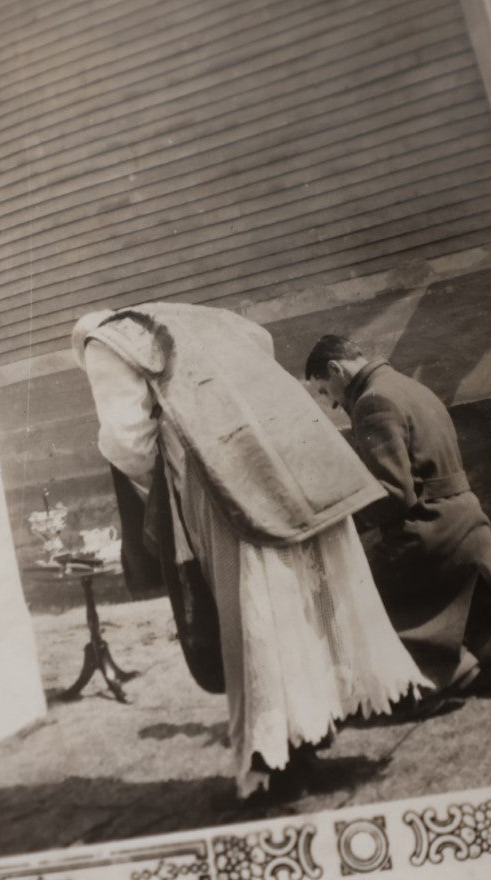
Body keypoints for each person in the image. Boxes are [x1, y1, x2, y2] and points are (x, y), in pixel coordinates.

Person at [73, 303, 433, 798]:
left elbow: (126, 439)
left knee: (255, 608)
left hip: (221, 480)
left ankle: (276, 757)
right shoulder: (197, 321)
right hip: (288, 455)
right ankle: (313, 727)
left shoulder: (102, 342)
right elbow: (259, 341)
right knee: (310, 597)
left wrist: (157, 497)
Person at [304, 334, 491, 693]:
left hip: (430, 537)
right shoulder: (410, 386)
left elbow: (395, 495)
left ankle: (444, 672)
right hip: (468, 524)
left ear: (336, 369)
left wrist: (345, 519)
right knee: (489, 615)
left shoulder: (372, 403)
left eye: (325, 391)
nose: (332, 404)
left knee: (364, 598)